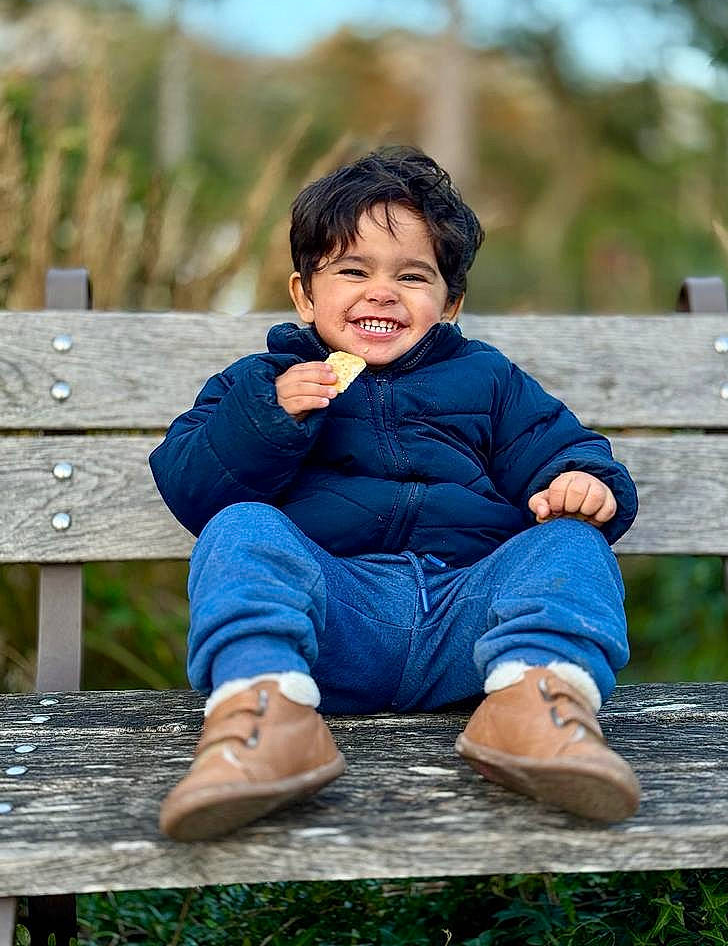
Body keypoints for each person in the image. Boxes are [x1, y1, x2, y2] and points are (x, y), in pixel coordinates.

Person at [149, 146, 640, 842]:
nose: (382, 292)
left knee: (569, 543)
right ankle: (265, 715)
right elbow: (191, 486)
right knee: (241, 528)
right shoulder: (262, 382)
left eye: (412, 276)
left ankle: (535, 705)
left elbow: (558, 444)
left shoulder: (489, 379)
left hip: (469, 622)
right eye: (353, 271)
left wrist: (581, 482)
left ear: (449, 304)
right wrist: (268, 418)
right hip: (334, 623)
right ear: (305, 294)